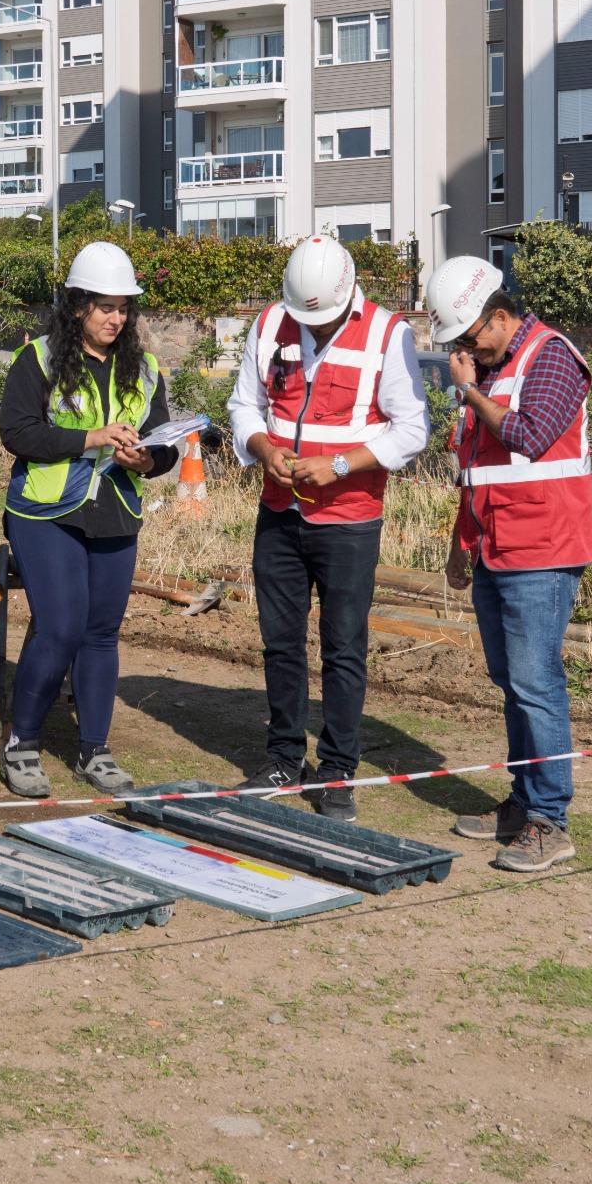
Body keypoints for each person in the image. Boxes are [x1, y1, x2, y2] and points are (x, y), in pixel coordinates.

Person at [227, 234, 430, 821]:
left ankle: (338, 770)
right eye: (304, 318)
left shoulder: (388, 334)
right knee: (280, 642)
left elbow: (412, 429)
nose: (311, 327)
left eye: (322, 319)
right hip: (278, 510)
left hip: (349, 519)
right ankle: (283, 758)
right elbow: (244, 406)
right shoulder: (270, 323)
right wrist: (263, 448)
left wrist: (340, 465)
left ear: (348, 294)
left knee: (343, 649)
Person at [428, 254, 592, 874]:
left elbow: (529, 437)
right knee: (511, 681)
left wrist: (468, 391)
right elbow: (476, 469)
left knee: (535, 683)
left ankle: (550, 820)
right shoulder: (494, 368)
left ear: (499, 317)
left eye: (470, 336)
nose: (465, 350)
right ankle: (525, 803)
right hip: (496, 546)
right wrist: (459, 542)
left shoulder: (551, 356)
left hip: (543, 550)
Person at [0, 240, 180, 799]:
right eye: (105, 307)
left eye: (123, 308)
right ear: (78, 305)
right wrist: (90, 439)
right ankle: (22, 745)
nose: (116, 318)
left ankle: (94, 751)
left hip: (116, 512)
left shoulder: (144, 368)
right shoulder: (37, 358)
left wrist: (148, 460)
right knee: (61, 628)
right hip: (45, 513)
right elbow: (18, 433)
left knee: (102, 633)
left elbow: (164, 445)